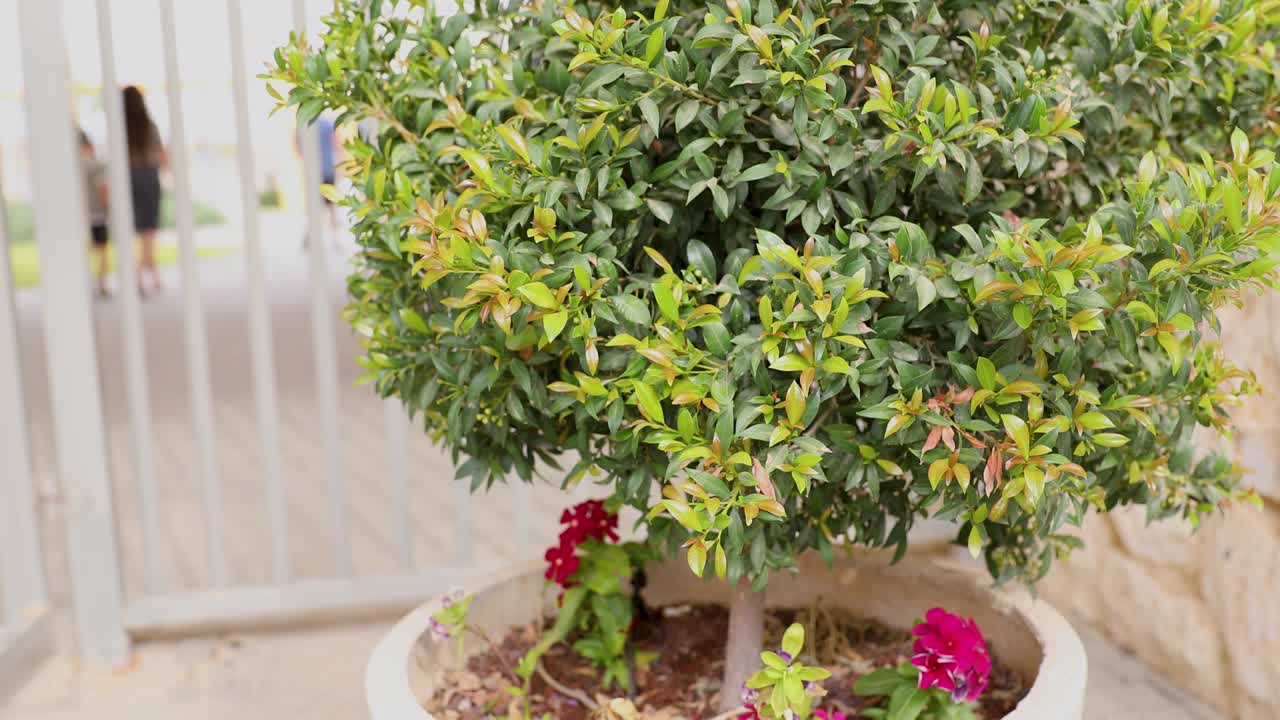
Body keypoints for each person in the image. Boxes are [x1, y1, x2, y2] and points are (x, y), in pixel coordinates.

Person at [123, 85, 167, 294]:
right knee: (148, 229)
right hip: (149, 176)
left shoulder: (120, 128)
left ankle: (141, 277)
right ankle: (151, 274)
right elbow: (161, 154)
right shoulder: (149, 126)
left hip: (128, 177)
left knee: (133, 227)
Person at [78, 129, 110, 297]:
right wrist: (107, 208)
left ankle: (86, 284)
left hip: (80, 216)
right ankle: (102, 284)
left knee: (85, 250)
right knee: (102, 250)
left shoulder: (71, 167)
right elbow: (103, 188)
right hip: (97, 214)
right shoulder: (96, 165)